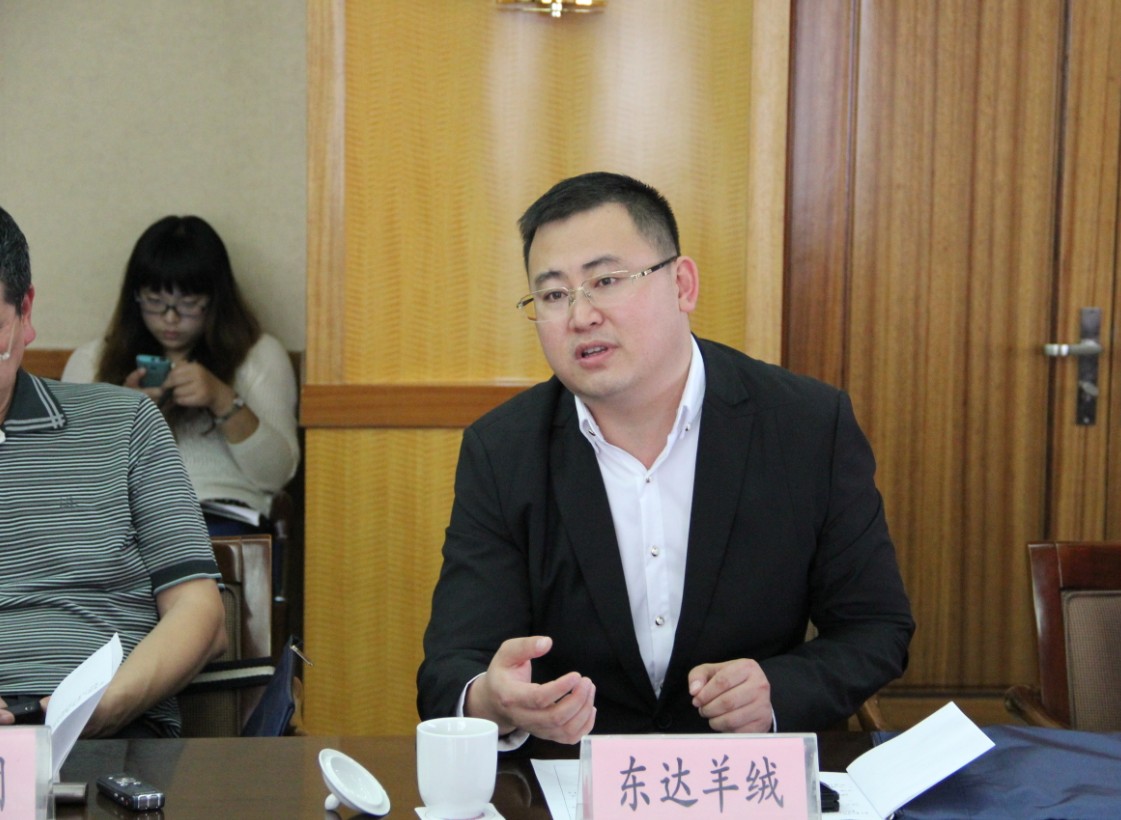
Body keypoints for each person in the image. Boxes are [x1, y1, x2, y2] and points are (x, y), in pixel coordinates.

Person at [417, 172, 914, 748]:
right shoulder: (503, 450)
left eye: (605, 281)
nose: (580, 316)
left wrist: (777, 692)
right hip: (574, 778)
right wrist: (493, 701)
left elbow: (875, 628)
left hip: (741, 774)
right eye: (553, 295)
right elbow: (452, 666)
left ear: (682, 285)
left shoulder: (806, 426)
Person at [0, 205, 227, 738]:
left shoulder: (124, 423)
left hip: (105, 735)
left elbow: (198, 609)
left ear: (25, 312)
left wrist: (99, 707)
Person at [62, 215, 299, 536]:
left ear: (216, 299)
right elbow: (68, 477)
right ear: (135, 297)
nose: (170, 318)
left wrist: (223, 400)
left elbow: (277, 475)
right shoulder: (91, 361)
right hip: (125, 523)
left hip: (222, 522)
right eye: (154, 301)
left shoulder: (258, 355)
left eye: (188, 304)